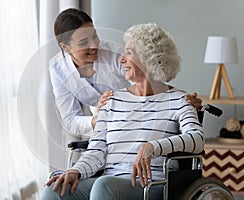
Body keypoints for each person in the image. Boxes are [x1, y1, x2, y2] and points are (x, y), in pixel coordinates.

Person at [41, 23, 204, 200]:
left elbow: (197, 139)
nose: (121, 59)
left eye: (129, 53)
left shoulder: (180, 100)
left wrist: (153, 147)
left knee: (105, 186)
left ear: (150, 58)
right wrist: (75, 171)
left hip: (153, 185)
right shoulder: (112, 101)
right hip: (107, 183)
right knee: (55, 189)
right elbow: (96, 150)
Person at [49, 8, 202, 142]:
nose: (94, 45)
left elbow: (147, 82)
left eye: (95, 36)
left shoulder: (114, 54)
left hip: (139, 120)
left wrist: (178, 99)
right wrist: (100, 120)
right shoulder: (58, 69)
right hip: (105, 129)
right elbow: (70, 121)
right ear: (66, 47)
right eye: (83, 42)